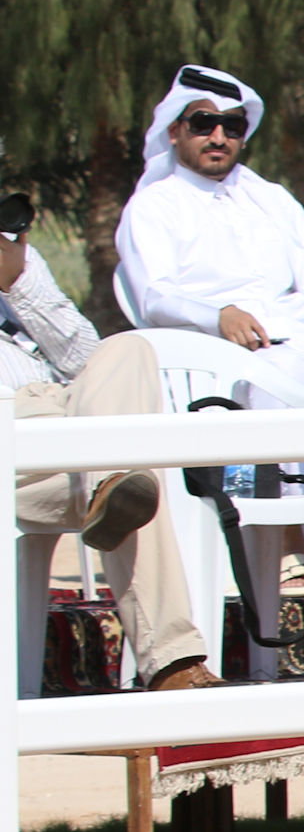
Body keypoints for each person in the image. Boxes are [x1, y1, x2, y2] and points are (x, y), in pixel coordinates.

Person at [0, 201, 218, 691]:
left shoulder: (19, 264)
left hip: (61, 428)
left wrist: (20, 283)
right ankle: (173, 663)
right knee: (131, 460)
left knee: (127, 350)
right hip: (11, 424)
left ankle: (110, 483)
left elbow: (82, 358)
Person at [111, 64, 304, 378]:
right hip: (216, 356)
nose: (218, 138)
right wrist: (218, 316)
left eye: (232, 127)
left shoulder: (272, 199)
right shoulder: (154, 206)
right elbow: (155, 297)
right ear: (175, 132)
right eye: (203, 124)